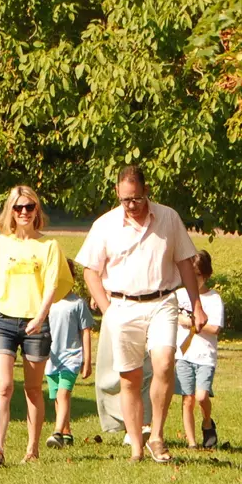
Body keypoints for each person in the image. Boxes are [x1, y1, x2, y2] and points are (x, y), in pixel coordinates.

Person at [76, 165, 206, 464]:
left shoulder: (168, 218)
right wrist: (108, 310)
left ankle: (156, 436)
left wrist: (197, 305)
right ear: (117, 194)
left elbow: (185, 263)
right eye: (125, 200)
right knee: (130, 377)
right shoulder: (105, 225)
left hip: (162, 300)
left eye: (136, 198)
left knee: (164, 363)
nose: (131, 205)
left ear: (146, 191)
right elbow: (90, 271)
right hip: (122, 306)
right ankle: (136, 445)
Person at [0, 185, 73, 466]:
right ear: (10, 211)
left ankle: (32, 449)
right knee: (3, 386)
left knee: (33, 388)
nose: (24, 212)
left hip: (35, 324)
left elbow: (52, 286)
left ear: (37, 210)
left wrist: (39, 317)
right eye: (18, 207)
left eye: (29, 206)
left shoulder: (49, 246)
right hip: (2, 321)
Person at [174, 250, 224, 449]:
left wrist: (191, 323)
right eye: (190, 275)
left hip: (205, 357)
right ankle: (192, 442)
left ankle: (207, 422)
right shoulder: (179, 295)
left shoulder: (213, 299)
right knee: (188, 399)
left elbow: (215, 328)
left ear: (207, 275)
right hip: (183, 355)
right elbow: (171, 315)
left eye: (198, 275)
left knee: (202, 396)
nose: (194, 280)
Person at [44, 260, 94, 449]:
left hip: (71, 358)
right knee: (58, 397)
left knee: (64, 393)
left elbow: (86, 331)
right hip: (51, 358)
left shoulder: (78, 303)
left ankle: (57, 432)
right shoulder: (47, 303)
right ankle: (66, 432)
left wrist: (87, 360)